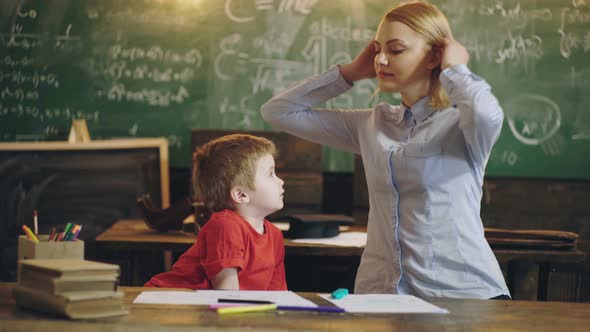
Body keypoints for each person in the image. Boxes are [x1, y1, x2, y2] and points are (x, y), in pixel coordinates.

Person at [260, 1, 510, 299]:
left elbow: (488, 115)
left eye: (396, 50)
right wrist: (350, 73)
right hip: (382, 295)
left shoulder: (462, 123)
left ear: (434, 56)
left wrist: (455, 70)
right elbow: (278, 112)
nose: (380, 60)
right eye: (378, 49)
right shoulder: (372, 124)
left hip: (460, 295)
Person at [145, 134, 287, 290]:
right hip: (164, 302)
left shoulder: (275, 236)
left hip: (203, 310)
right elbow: (226, 294)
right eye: (271, 174)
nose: (281, 181)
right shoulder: (225, 226)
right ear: (241, 195)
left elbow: (278, 298)